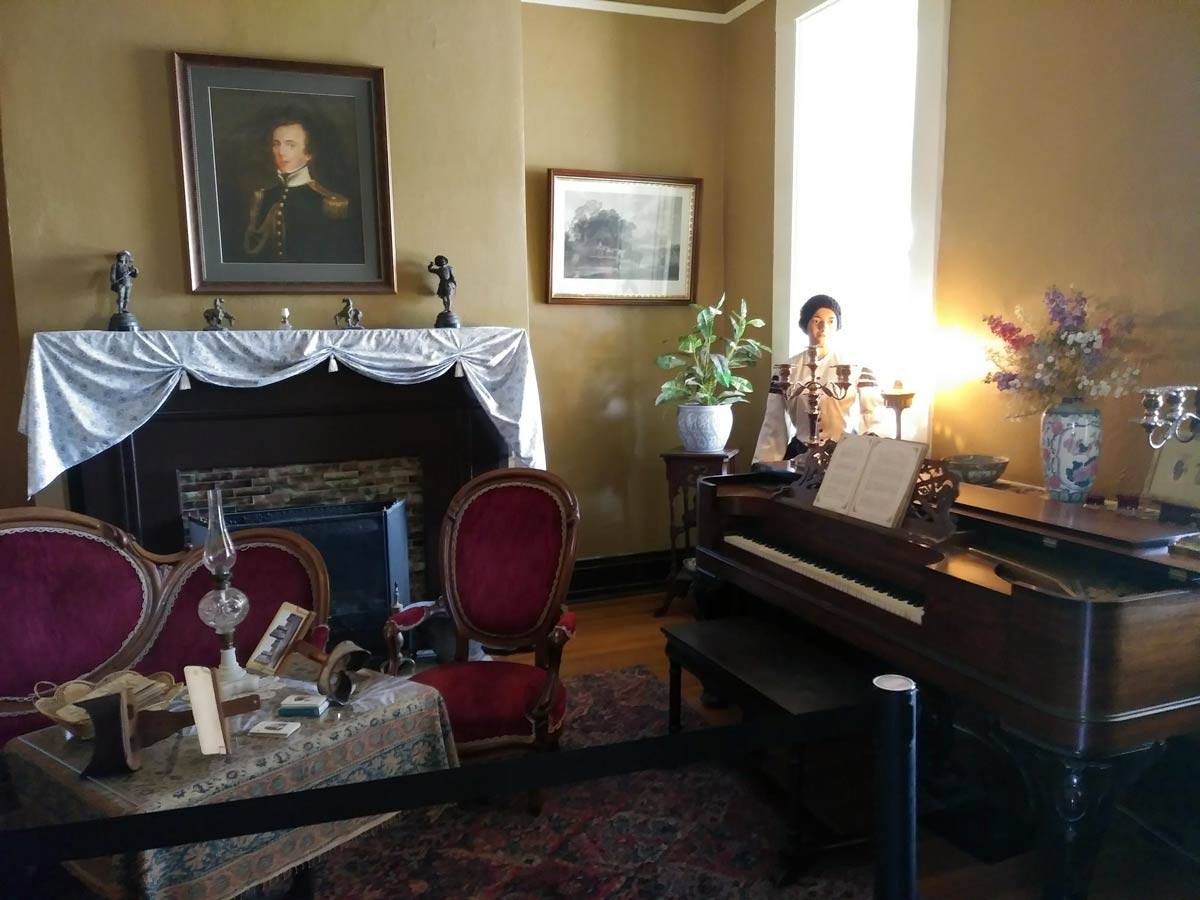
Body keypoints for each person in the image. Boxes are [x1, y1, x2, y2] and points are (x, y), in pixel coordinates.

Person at [753, 294, 886, 463]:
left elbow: (872, 415)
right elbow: (774, 422)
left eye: (831, 321)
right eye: (817, 321)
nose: (824, 327)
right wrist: (765, 465)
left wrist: (874, 457)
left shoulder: (856, 368)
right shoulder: (786, 370)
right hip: (800, 456)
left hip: (843, 456)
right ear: (806, 324)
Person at [242, 115, 356, 263]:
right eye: (276, 144)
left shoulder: (329, 202)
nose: (281, 152)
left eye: (291, 145)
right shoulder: (262, 197)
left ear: (309, 153)